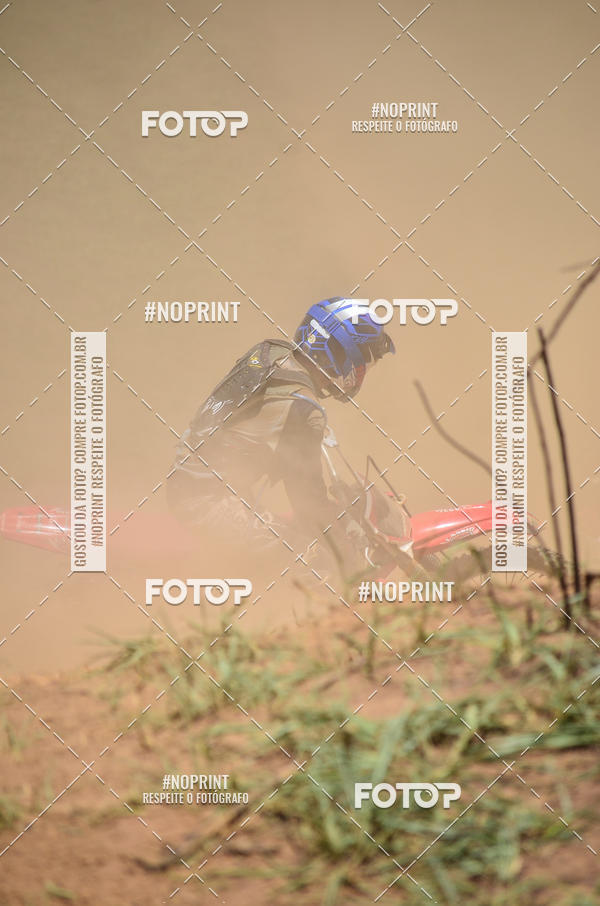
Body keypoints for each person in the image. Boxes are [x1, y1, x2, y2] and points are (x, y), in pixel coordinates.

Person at [167, 297, 395, 571]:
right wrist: (347, 534)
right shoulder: (304, 409)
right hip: (206, 501)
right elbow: (307, 504)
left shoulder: (269, 353)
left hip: (194, 478)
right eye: (362, 365)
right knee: (323, 563)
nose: (360, 375)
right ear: (341, 354)